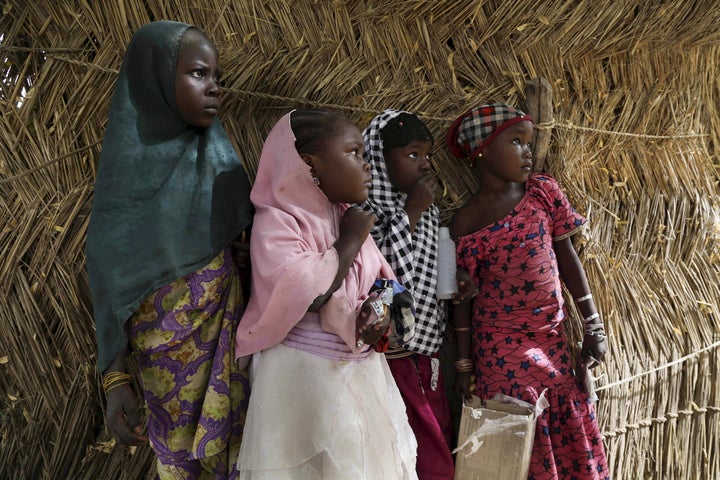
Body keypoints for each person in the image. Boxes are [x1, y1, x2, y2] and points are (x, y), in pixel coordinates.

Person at [86, 21, 253, 479]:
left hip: (236, 363)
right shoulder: (124, 185)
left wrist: (244, 262)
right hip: (166, 379)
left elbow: (257, 256)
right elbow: (112, 284)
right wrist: (116, 378)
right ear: (154, 78)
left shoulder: (223, 167)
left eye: (216, 76)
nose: (214, 88)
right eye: (199, 74)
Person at [234, 109, 418, 479]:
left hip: (361, 373)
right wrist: (350, 238)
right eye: (354, 153)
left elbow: (386, 283)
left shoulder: (347, 213)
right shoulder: (278, 221)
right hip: (302, 379)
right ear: (309, 165)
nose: (366, 166)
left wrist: (378, 312)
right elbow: (307, 290)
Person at [446, 103, 610, 480]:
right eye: (516, 142)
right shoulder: (466, 222)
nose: (527, 152)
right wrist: (464, 365)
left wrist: (593, 326)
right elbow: (461, 301)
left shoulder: (541, 192)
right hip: (501, 350)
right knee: (515, 437)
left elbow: (568, 259)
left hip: (550, 340)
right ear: (482, 150)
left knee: (565, 419)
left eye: (529, 143)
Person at [359, 109, 475, 479]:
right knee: (396, 453)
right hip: (384, 361)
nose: (425, 164)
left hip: (425, 357)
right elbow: (378, 274)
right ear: (378, 156)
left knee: (433, 444)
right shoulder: (363, 210)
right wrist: (409, 211)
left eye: (427, 155)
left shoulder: (427, 212)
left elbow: (426, 269)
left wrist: (457, 278)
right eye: (413, 154)